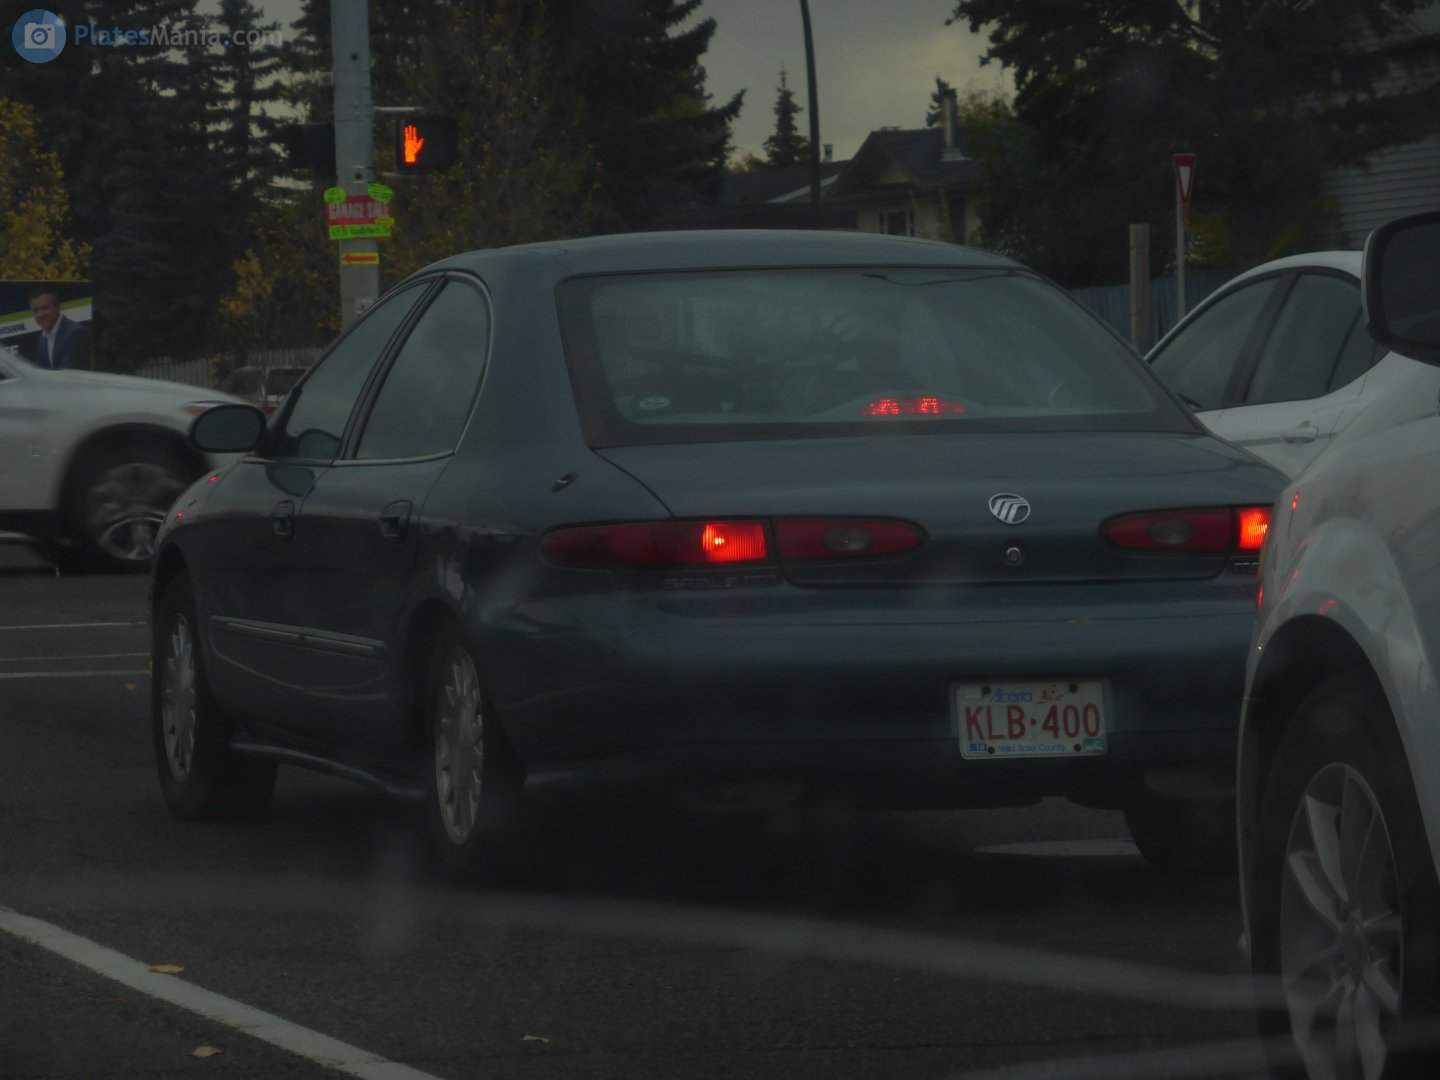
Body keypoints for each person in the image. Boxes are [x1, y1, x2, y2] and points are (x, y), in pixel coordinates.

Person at [28, 286, 92, 371]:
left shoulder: (77, 333)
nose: (40, 315)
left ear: (57, 307)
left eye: (44, 308)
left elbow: (68, 376)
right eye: (36, 311)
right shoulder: (42, 339)